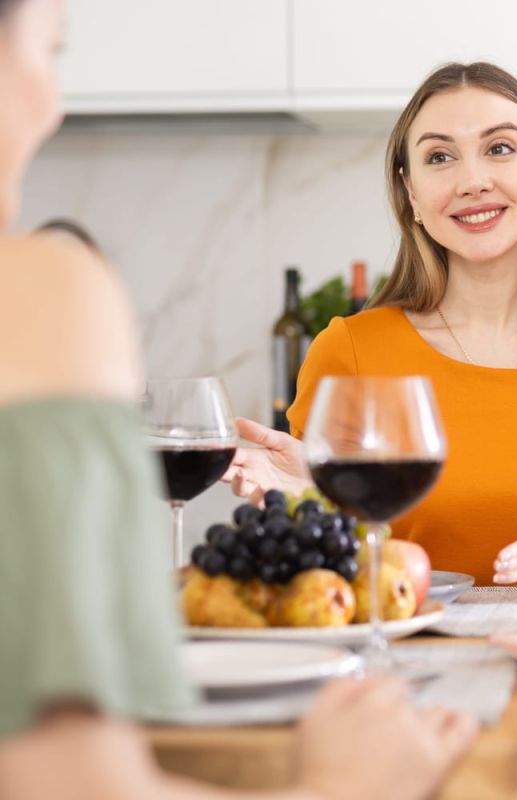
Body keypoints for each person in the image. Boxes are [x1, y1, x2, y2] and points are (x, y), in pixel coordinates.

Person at [0, 1, 476, 797]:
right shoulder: (41, 292)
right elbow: (69, 784)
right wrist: (341, 790)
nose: (51, 103)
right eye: (50, 50)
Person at [223, 62, 517, 587]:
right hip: (409, 639)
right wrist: (310, 508)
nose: (473, 181)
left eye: (499, 148)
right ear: (411, 194)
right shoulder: (351, 350)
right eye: (439, 157)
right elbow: (315, 581)